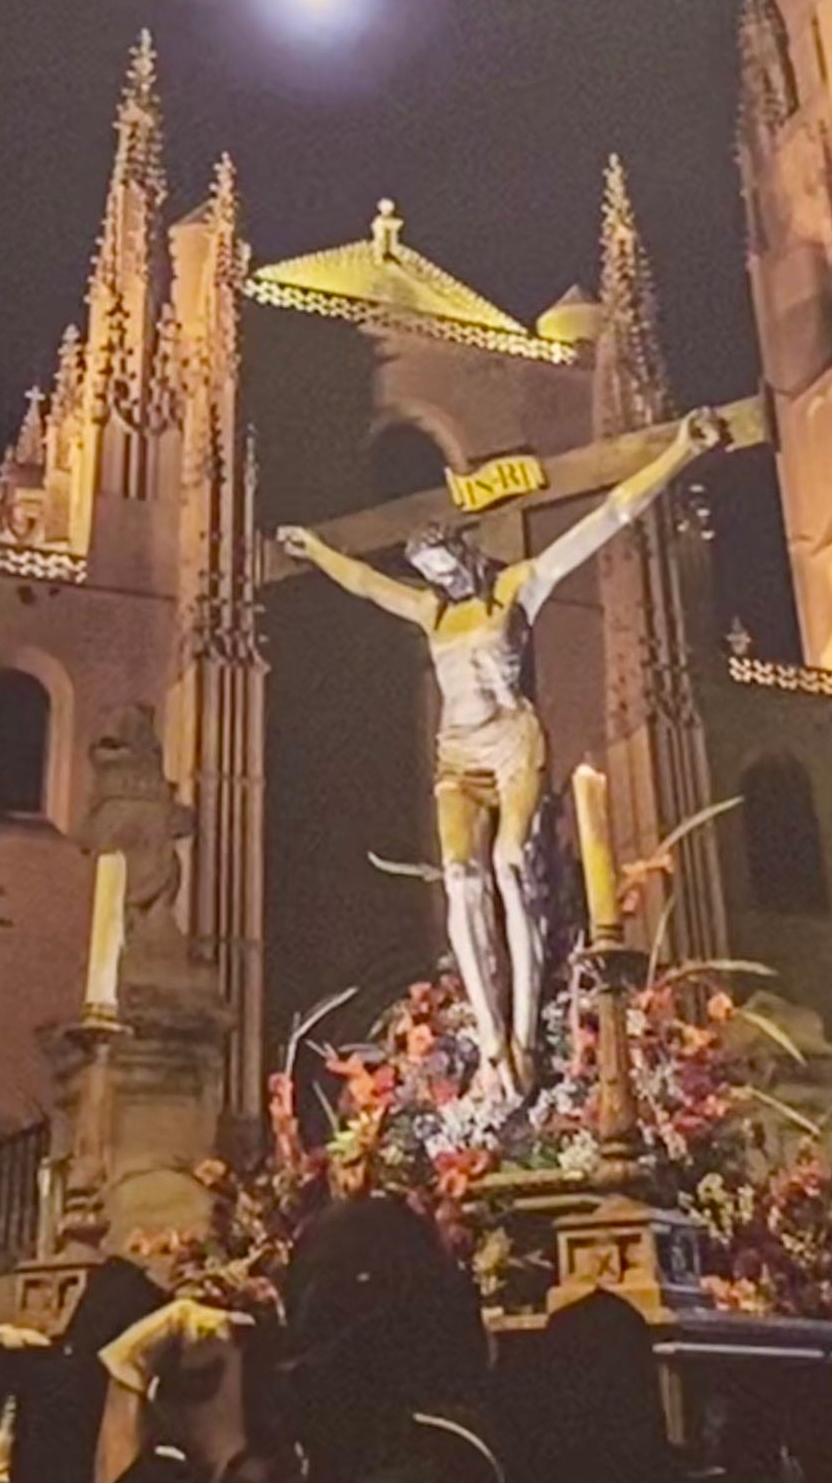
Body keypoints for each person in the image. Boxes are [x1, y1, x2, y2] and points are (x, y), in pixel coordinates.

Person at [272, 409, 720, 1090]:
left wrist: (678, 453)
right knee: (461, 880)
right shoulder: (431, 612)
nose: (440, 579)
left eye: (446, 565)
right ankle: (490, 1045)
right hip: (458, 757)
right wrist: (318, 550)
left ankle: (524, 1035)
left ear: (464, 554)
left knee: (511, 864)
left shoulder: (516, 586)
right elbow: (366, 584)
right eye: (428, 571)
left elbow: (608, 517)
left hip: (513, 744)